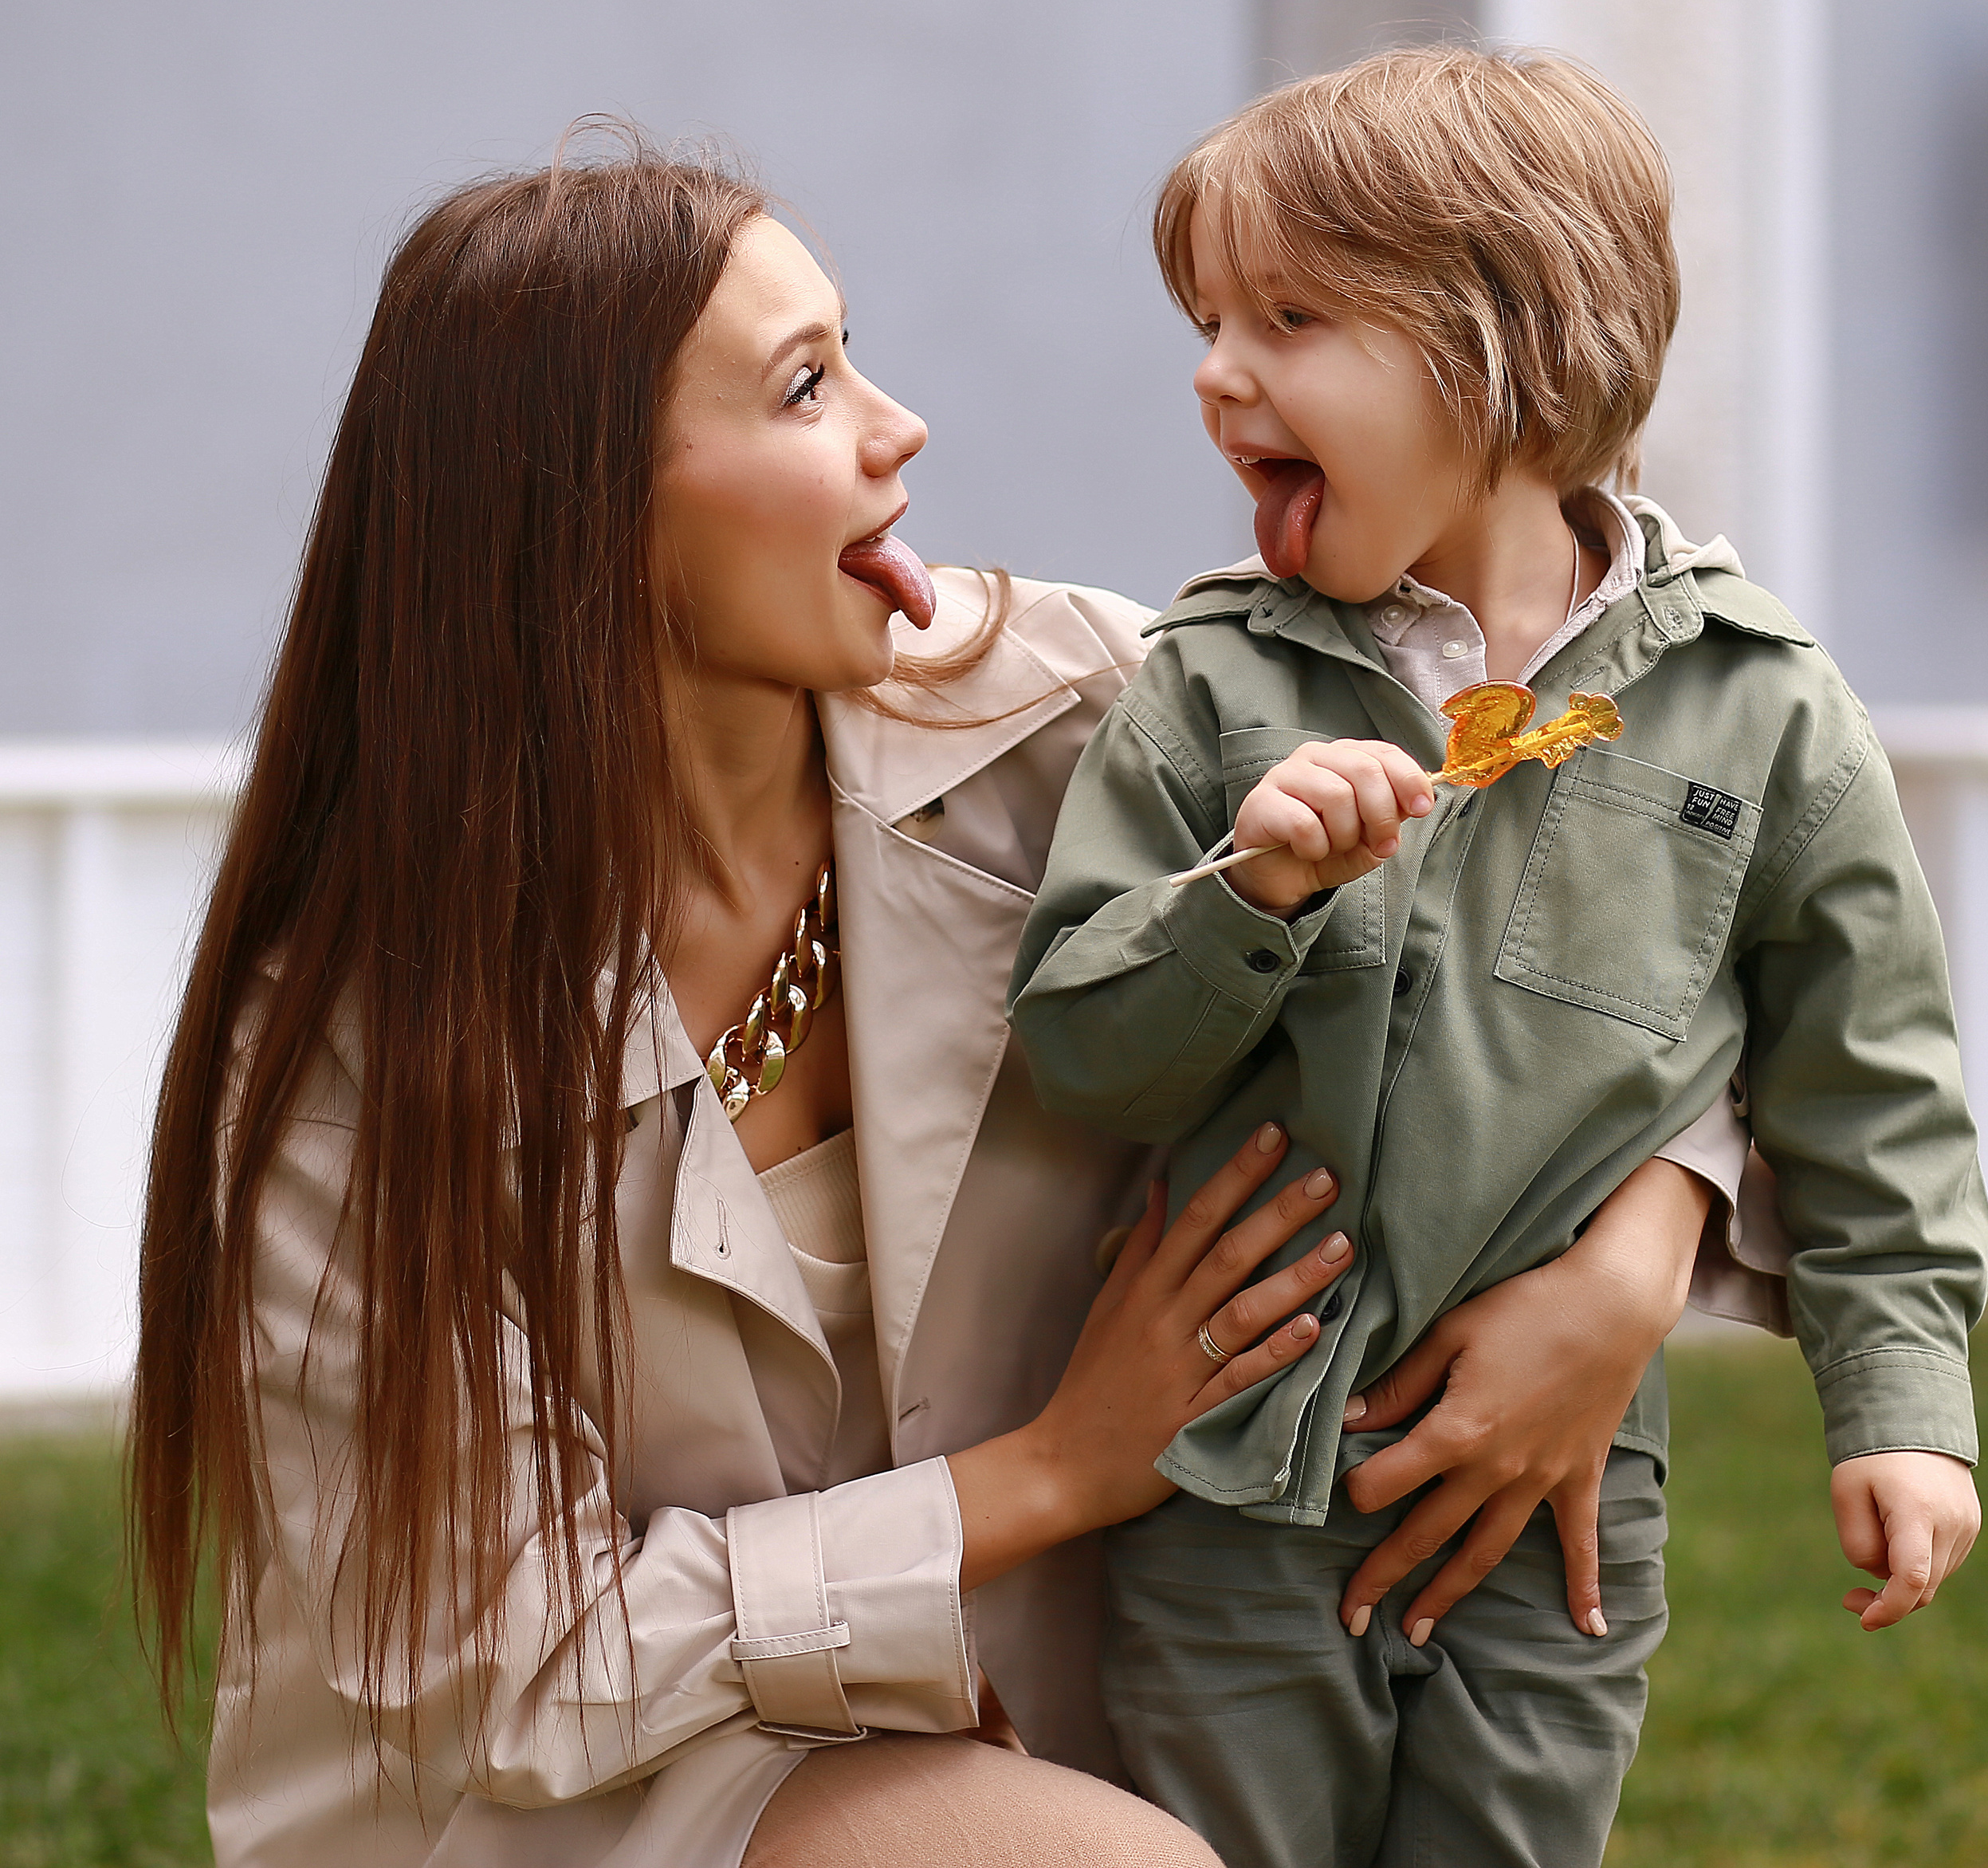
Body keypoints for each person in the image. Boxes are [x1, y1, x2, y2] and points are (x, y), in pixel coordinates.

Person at [129, 136, 1749, 1868]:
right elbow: (513, 1671)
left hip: (1027, 1733)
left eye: (854, 356)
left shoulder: (1082, 721)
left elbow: (1654, 889)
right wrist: (1051, 1470)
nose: (898, 429)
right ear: (587, 513)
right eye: (804, 387)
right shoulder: (357, 1042)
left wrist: (1629, 1263)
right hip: (576, 1805)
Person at [1008, 46, 1988, 1868]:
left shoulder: (1761, 708)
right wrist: (1245, 894)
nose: (1215, 371)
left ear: (1505, 342)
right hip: (1227, 1478)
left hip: (1560, 1507)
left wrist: (1900, 1412)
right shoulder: (1208, 684)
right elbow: (1079, 1051)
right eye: (1206, 321)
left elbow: (1866, 1083)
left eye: (1287, 317)